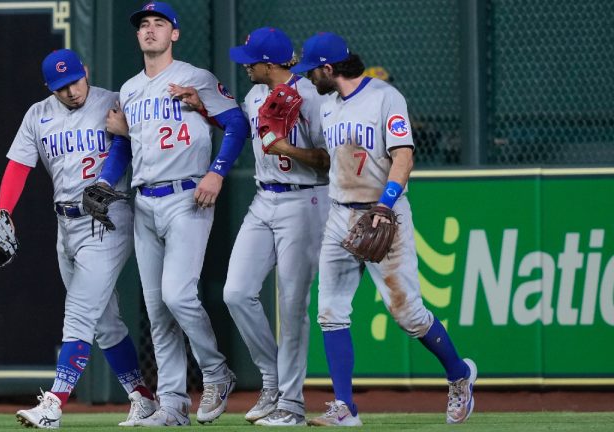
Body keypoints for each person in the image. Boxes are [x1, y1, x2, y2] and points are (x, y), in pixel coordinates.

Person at [289, 32, 477, 426]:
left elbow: (404, 156)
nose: (311, 78)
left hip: (384, 213)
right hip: (340, 213)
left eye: (314, 71)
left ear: (329, 68)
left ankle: (459, 374)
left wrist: (385, 204)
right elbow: (330, 159)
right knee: (330, 312)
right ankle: (346, 408)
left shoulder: (385, 97)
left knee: (409, 315)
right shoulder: (327, 104)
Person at [97, 2, 249, 426]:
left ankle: (217, 373)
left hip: (188, 196)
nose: (149, 30)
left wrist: (217, 173)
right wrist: (107, 182)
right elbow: (125, 147)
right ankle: (173, 404)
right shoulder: (128, 90)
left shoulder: (195, 77)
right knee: (156, 309)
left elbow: (238, 125)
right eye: (143, 25)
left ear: (174, 34)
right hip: (144, 200)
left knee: (177, 295)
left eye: (158, 24)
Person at [177, 27, 330, 426]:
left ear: (269, 63)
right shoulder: (255, 94)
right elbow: (244, 127)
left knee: (292, 305)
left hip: (307, 198)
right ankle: (273, 378)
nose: (245, 66)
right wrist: (204, 109)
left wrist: (289, 149)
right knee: (236, 292)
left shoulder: (312, 96)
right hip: (265, 199)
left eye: (251, 61)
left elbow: (331, 161)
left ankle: (292, 405)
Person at [0, 48, 157, 429]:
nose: (70, 90)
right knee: (103, 320)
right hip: (65, 224)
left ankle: (54, 403)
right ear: (49, 87)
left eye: (74, 80)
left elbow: (122, 146)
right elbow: (18, 166)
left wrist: (105, 181)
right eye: (60, 86)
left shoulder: (112, 102)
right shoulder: (38, 115)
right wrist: (4, 211)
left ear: (85, 71)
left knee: (79, 312)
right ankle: (143, 397)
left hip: (106, 217)